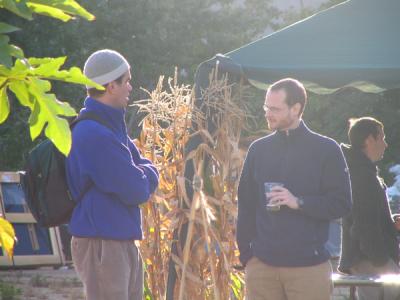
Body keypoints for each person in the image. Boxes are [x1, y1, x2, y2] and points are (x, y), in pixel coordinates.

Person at [236, 78, 352, 300]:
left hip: (308, 268)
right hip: (262, 267)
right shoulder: (258, 150)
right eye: (266, 107)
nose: (268, 113)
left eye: (275, 109)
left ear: (296, 108)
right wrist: (247, 256)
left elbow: (342, 204)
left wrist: (298, 202)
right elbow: (246, 205)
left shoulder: (326, 150)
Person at [66, 49, 159, 300]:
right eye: (126, 80)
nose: (130, 87)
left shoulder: (108, 127)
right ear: (110, 86)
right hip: (103, 245)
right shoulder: (96, 134)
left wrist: (145, 172)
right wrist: (149, 173)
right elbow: (136, 189)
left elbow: (142, 169)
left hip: (116, 241)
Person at [339, 117, 400, 300]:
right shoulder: (363, 176)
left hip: (368, 258)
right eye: (381, 138)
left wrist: (391, 223)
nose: (385, 144)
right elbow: (364, 225)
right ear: (368, 140)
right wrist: (381, 260)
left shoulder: (361, 171)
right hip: (371, 260)